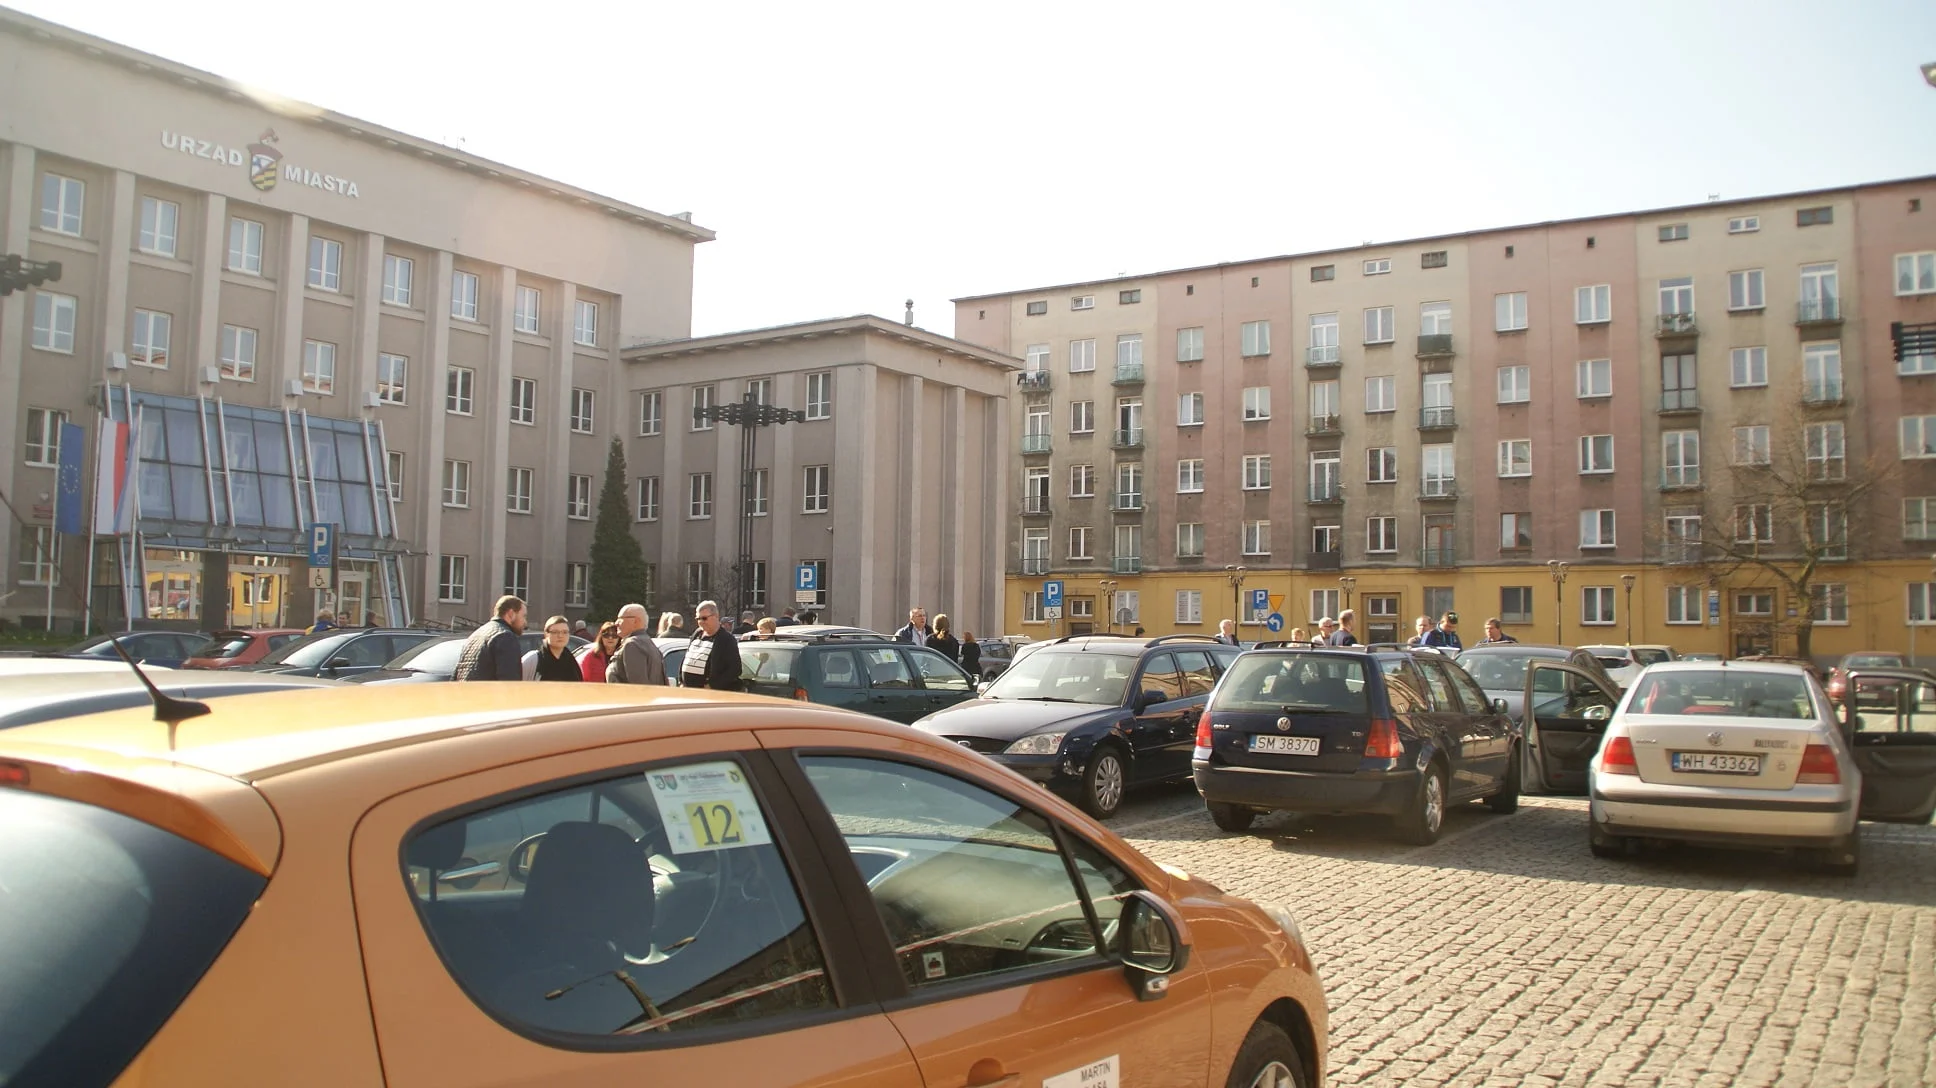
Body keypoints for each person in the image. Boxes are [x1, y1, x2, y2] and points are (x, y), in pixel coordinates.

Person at [454, 595, 526, 681]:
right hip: (488, 690)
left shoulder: (474, 636)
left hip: (466, 689)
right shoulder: (505, 637)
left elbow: (455, 677)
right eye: (523, 616)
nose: (525, 622)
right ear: (511, 614)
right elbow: (509, 681)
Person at [681, 600, 744, 691]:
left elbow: (735, 669)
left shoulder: (726, 639)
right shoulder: (697, 634)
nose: (701, 622)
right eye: (698, 619)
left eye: (704, 618)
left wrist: (712, 686)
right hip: (688, 691)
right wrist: (681, 681)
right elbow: (687, 657)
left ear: (716, 616)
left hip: (709, 693)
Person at [607, 603, 668, 685]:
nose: (616, 623)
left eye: (620, 619)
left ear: (636, 621)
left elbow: (638, 686)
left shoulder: (633, 645)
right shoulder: (648, 644)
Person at [525, 615, 582, 682]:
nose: (560, 636)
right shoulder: (533, 659)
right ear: (546, 634)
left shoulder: (572, 661)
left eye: (565, 632)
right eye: (555, 632)